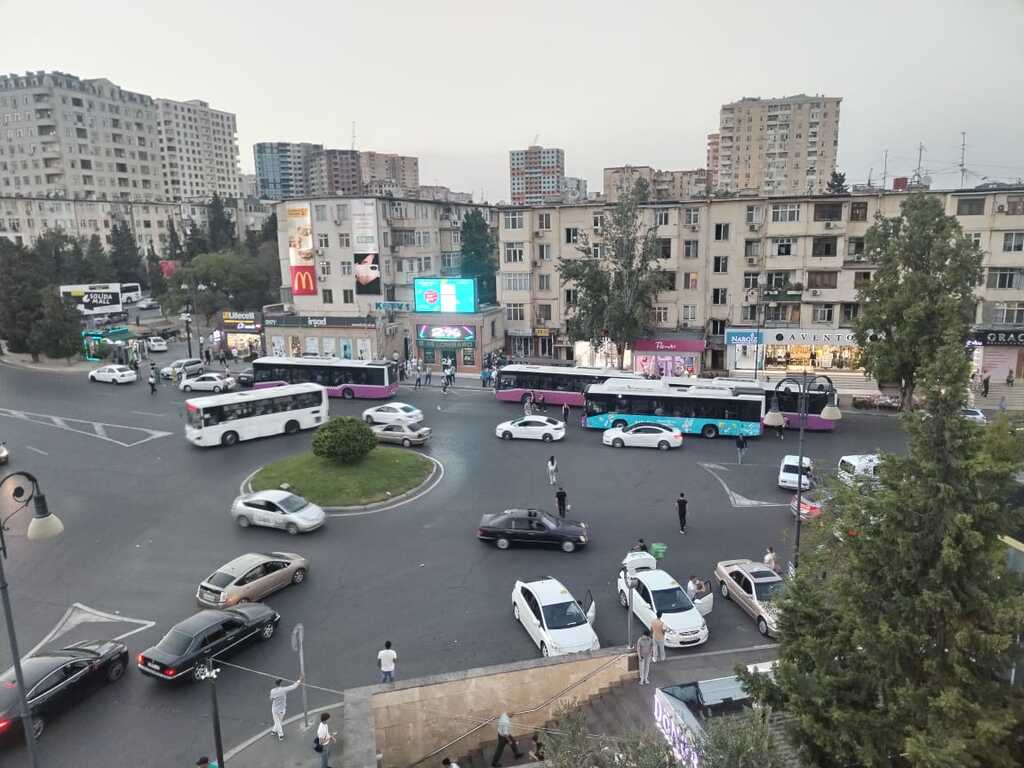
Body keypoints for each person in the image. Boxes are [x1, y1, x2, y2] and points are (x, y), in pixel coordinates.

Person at [269, 676, 302, 741]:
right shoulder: (284, 690)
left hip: (274, 709)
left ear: (275, 684)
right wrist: (299, 680)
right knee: (279, 722)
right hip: (281, 709)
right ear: (280, 683)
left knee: (277, 721)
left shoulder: (272, 691)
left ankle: (274, 731)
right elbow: (293, 686)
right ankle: (281, 735)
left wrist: (273, 697)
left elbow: (271, 698)